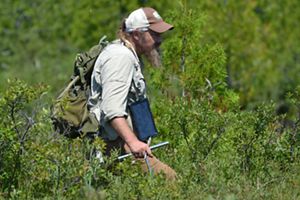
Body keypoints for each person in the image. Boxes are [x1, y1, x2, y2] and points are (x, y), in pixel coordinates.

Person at [88, 7, 176, 180]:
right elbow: (112, 108)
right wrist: (133, 142)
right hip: (118, 146)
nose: (159, 40)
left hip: (124, 145)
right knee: (171, 181)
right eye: (154, 34)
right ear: (136, 34)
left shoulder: (129, 54)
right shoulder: (121, 57)